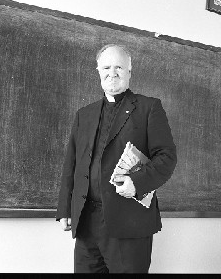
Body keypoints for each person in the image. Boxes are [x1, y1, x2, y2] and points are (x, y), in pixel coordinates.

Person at [56, 44, 177, 273]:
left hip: (129, 224)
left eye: (119, 67)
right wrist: (64, 208)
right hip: (86, 223)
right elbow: (71, 164)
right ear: (98, 71)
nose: (113, 72)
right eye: (106, 67)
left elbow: (167, 157)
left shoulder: (149, 107)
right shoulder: (84, 115)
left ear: (130, 72)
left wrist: (138, 182)